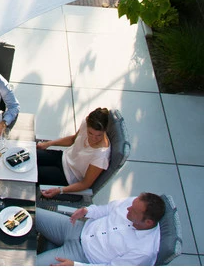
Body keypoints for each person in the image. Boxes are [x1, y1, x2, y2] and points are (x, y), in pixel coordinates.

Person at [36, 193, 165, 266]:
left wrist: (75, 265)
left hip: (82, 256)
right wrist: (87, 211)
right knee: (31, 213)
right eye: (131, 205)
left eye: (133, 211)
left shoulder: (144, 252)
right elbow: (106, 209)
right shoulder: (136, 203)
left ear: (148, 222)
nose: (128, 208)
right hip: (77, 228)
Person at [37, 107, 111, 197]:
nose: (93, 138)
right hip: (63, 157)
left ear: (105, 131)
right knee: (31, 156)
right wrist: (48, 144)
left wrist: (60, 190)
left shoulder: (101, 156)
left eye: (98, 135)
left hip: (67, 176)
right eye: (90, 133)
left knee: (35, 174)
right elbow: (73, 139)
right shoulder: (86, 123)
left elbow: (85, 184)